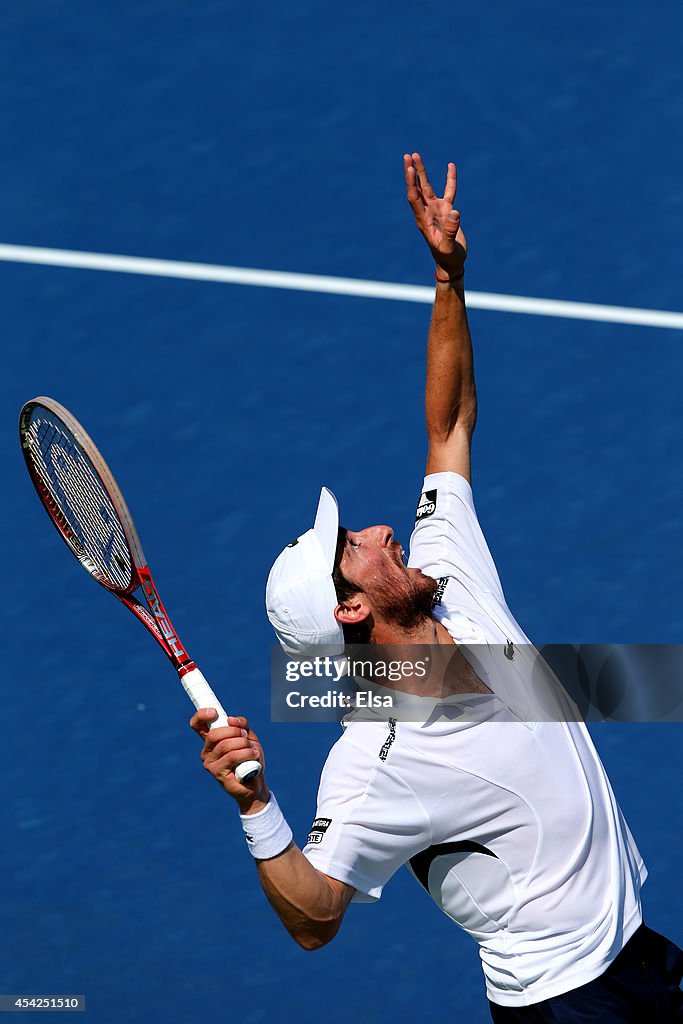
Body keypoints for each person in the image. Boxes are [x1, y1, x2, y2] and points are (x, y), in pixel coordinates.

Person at [190, 154, 683, 1022]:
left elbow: (447, 421)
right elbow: (315, 918)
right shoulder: (378, 758)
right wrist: (259, 807)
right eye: (354, 548)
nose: (381, 530)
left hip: (633, 950)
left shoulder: (449, 575)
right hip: (567, 1004)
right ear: (350, 609)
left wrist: (447, 276)